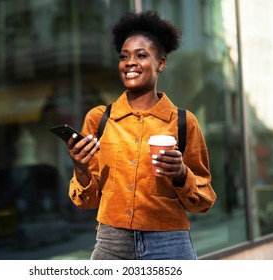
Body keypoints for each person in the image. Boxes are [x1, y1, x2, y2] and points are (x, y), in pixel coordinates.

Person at [65, 11, 217, 260]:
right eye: (124, 57)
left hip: (169, 243)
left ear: (161, 63)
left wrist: (180, 174)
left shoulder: (183, 121)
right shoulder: (99, 119)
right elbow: (87, 201)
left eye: (141, 55)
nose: (130, 63)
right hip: (111, 242)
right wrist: (80, 167)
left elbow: (203, 200)